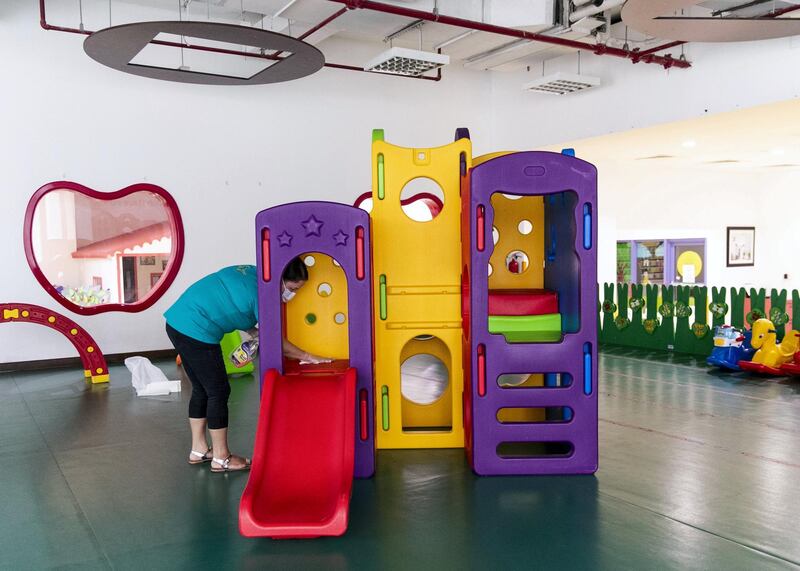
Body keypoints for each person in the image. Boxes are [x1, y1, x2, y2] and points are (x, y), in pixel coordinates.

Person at [164, 258, 330, 472]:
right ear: (281, 280)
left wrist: (252, 331)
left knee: (202, 390)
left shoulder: (253, 273)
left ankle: (199, 450)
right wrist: (307, 356)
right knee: (218, 391)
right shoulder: (264, 294)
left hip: (177, 321)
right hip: (197, 329)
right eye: (292, 288)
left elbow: (230, 301)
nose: (292, 295)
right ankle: (221, 458)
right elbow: (274, 338)